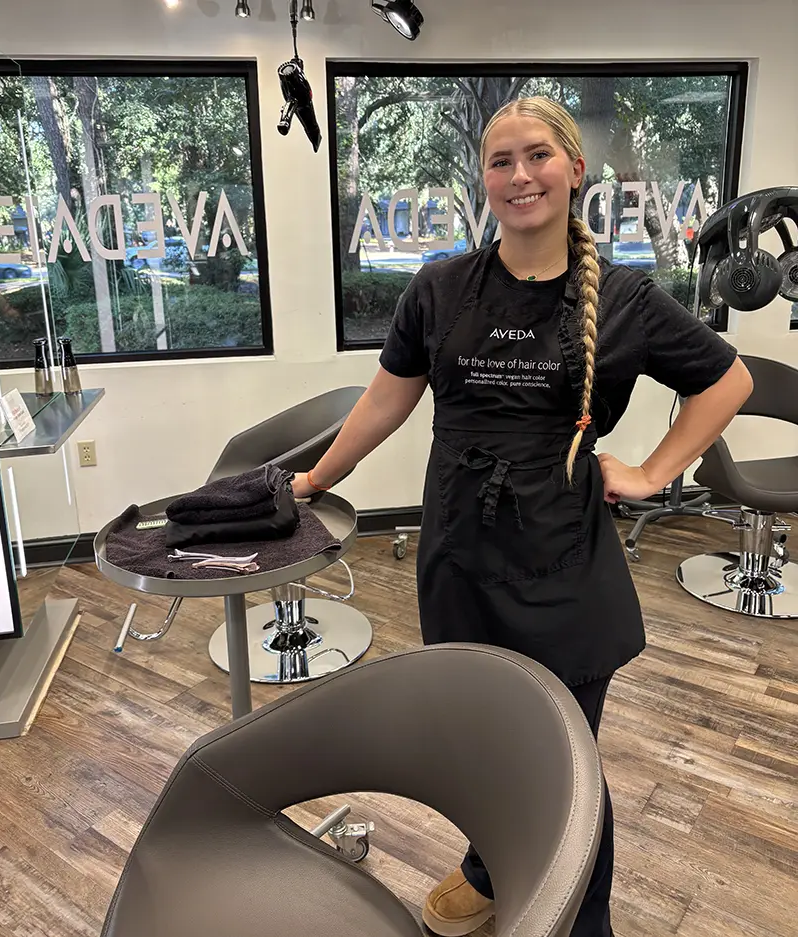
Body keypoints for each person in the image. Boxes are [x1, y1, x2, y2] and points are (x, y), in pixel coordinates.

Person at [292, 97, 753, 937]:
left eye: (536, 155)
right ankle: (490, 868)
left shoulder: (625, 299)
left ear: (574, 170)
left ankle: (583, 917)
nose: (518, 175)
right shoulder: (438, 287)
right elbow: (384, 403)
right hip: (459, 555)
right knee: (480, 740)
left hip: (563, 564)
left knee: (565, 762)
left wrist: (653, 470)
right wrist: (316, 475)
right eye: (500, 161)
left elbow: (727, 381)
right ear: (485, 178)